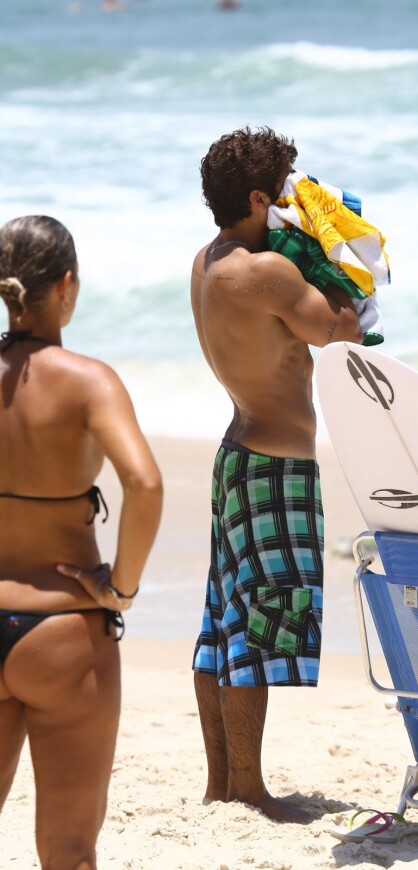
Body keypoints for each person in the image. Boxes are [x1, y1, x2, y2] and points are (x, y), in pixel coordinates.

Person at [190, 126, 363, 823]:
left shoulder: (208, 261)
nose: (290, 206)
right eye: (283, 195)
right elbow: (342, 327)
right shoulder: (264, 272)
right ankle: (249, 789)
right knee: (259, 628)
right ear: (258, 197)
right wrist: (330, 253)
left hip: (237, 453)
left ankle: (220, 785)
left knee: (222, 625)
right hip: (274, 466)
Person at [0, 215, 163, 869]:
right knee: (68, 849)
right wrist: (119, 586)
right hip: (63, 631)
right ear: (67, 285)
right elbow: (144, 484)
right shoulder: (90, 380)